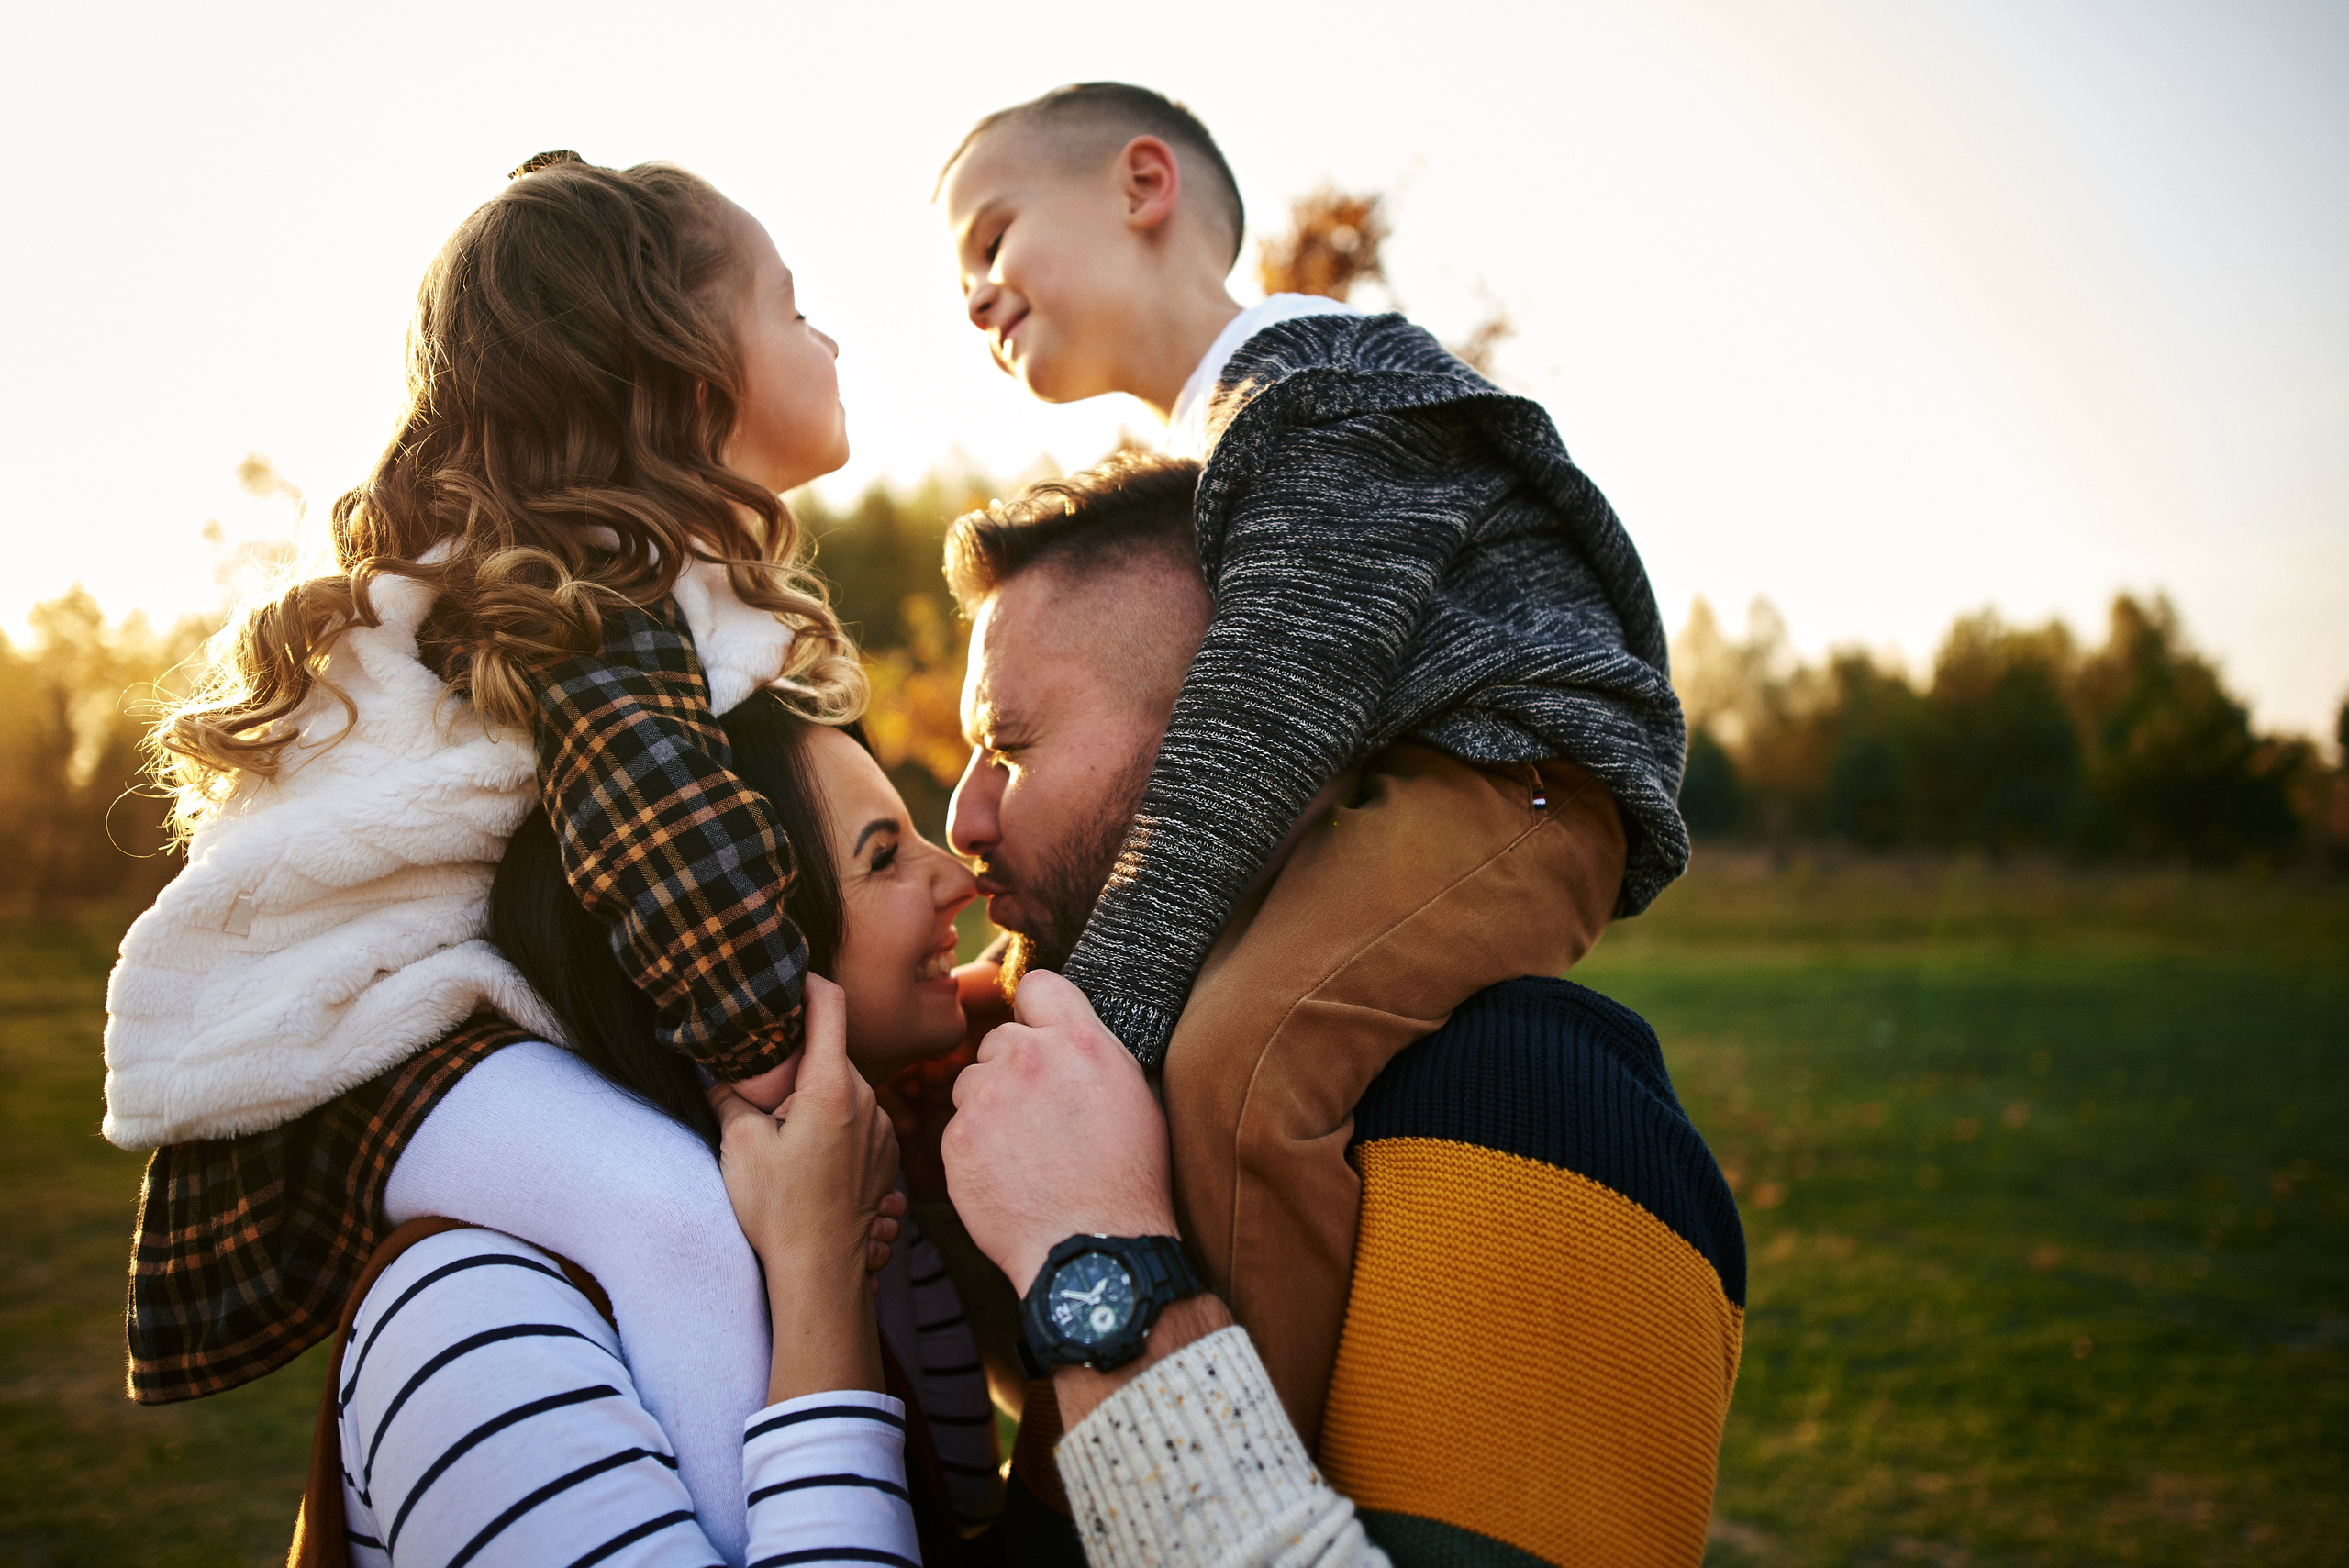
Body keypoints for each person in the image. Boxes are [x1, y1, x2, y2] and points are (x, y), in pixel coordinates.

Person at [100, 153, 994, 1562]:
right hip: (359, 1047)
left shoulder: (605, 574)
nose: (831, 338)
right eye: (793, 307)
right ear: (686, 373)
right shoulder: (591, 588)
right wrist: (782, 1081)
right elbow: (671, 850)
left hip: (418, 1029)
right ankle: (734, 1524)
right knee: (679, 1214)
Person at [936, 84, 1692, 1449]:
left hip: (1512, 775)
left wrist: (1097, 1024)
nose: (976, 297)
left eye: (992, 239)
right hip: (1398, 775)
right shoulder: (1221, 431)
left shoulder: (1314, 390)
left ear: (1143, 186)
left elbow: (1261, 722)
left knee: (1242, 1060)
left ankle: (1223, 1475)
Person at [932, 462, 1745, 1566]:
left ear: (1242, 740)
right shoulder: (1072, 1068)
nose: (962, 814)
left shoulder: (1541, 1105)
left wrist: (1104, 1272)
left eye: (1011, 746)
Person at [321, 699, 1000, 1566]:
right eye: (884, 855)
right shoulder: (468, 1320)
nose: (959, 879)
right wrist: (819, 1280)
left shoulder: (881, 1217)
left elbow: (972, 1523)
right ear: (735, 941)